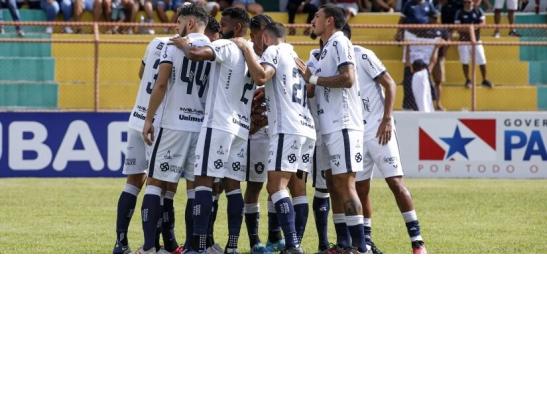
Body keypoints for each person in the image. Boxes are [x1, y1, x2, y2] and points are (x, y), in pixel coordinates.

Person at [172, 7, 254, 253]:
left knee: (203, 182)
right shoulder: (253, 55)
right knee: (232, 187)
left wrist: (181, 44)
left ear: (236, 28)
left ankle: (197, 247)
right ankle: (230, 247)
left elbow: (197, 53)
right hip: (240, 127)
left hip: (219, 124)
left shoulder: (227, 46)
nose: (218, 28)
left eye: (223, 23)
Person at [233, 22, 316, 253]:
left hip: (286, 128)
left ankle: (292, 245)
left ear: (267, 38)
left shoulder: (273, 51)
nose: (256, 42)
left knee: (275, 186)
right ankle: (294, 244)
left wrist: (246, 49)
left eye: (258, 38)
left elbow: (261, 76)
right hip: (307, 127)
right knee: (299, 191)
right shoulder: (294, 54)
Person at [136, 3, 212, 254]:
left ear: (189, 23)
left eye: (179, 22)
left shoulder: (173, 45)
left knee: (156, 183)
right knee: (196, 187)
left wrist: (148, 119)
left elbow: (160, 84)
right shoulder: (213, 48)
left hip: (173, 125)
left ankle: (149, 248)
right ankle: (193, 247)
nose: (176, 27)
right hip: (200, 126)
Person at [296, 4, 368, 254]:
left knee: (346, 185)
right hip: (327, 127)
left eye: (316, 16)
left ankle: (361, 246)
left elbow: (347, 78)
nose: (312, 20)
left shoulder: (339, 41)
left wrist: (312, 78)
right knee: (333, 184)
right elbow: (315, 86)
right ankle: (344, 244)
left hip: (344, 124)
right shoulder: (324, 50)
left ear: (330, 21)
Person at [352, 31, 428, 254]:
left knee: (396, 183)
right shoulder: (329, 60)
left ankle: (418, 242)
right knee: (360, 188)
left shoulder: (363, 55)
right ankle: (366, 243)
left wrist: (387, 119)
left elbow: (390, 84)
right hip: (356, 133)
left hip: (379, 130)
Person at [112, 35, 171, 253]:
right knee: (157, 183)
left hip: (137, 116)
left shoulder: (155, 42)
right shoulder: (183, 48)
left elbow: (141, 73)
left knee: (133, 181)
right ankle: (151, 246)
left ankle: (120, 243)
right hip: (155, 122)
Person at [455, 0, 493, 88]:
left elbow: (483, 23)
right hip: (463, 41)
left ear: (473, 2)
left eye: (469, 2)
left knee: (482, 60)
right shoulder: (459, 12)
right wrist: (469, 29)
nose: (467, 4)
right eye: (465, 2)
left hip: (476, 41)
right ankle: (468, 80)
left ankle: (484, 79)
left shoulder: (478, 10)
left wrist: (475, 27)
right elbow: (457, 27)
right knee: (465, 61)